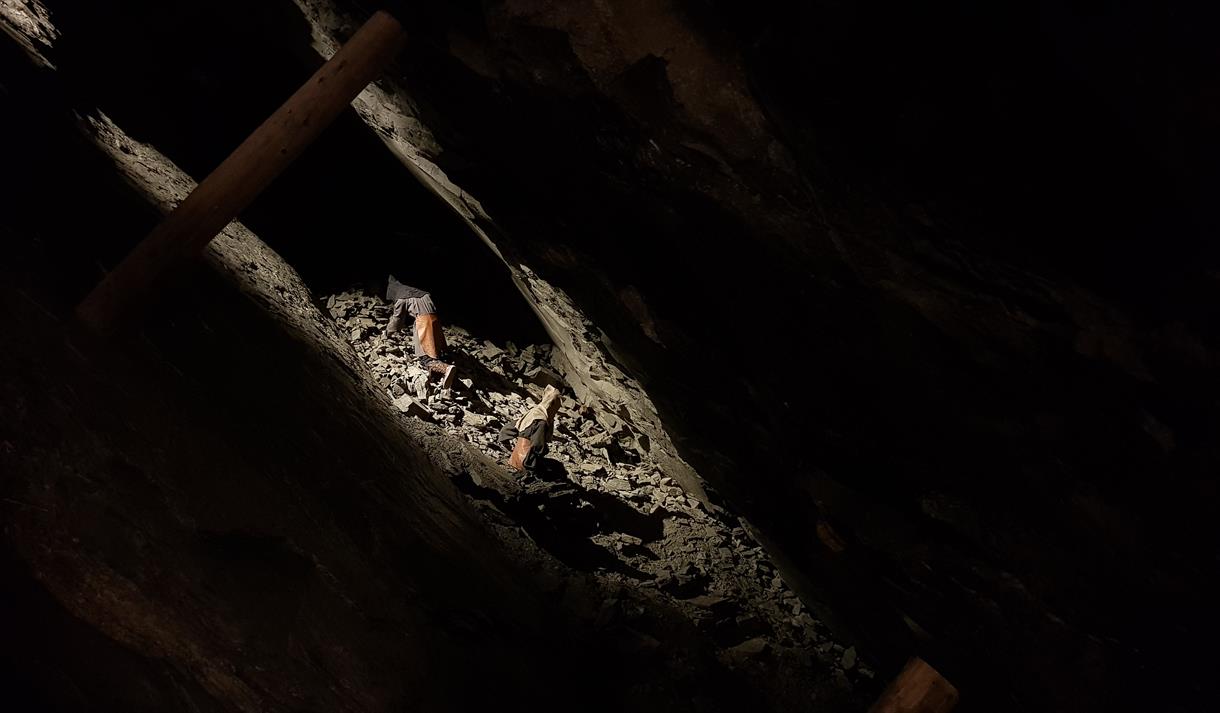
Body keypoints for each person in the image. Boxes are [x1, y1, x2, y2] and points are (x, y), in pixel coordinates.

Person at [385, 275, 457, 390]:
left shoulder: (401, 298)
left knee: (425, 356)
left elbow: (397, 319)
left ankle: (445, 369)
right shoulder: (420, 293)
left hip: (423, 322)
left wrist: (388, 333)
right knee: (436, 350)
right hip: (435, 321)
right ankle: (444, 378)